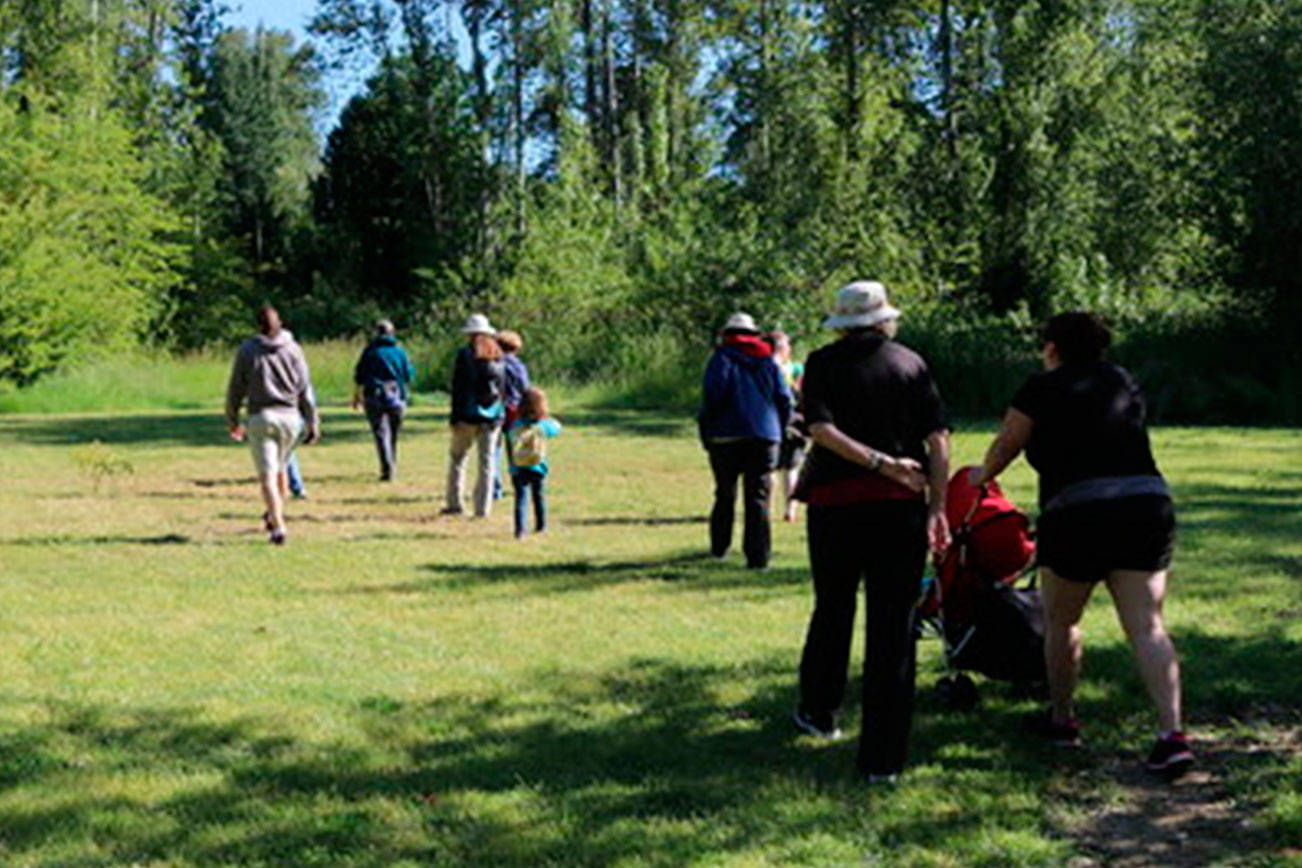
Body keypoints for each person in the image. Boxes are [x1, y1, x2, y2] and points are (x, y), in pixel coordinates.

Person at [969, 311, 1193, 776]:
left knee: (1062, 620)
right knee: (1147, 626)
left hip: (1076, 513)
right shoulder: (1123, 380)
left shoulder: (1039, 387)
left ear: (1052, 347)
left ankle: (1063, 719)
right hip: (1145, 504)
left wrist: (979, 478)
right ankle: (1172, 734)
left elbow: (1008, 442)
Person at [792, 281, 950, 784]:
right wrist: (937, 508)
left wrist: (877, 464)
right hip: (899, 511)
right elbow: (939, 443)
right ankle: (883, 758)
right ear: (884, 319)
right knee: (893, 627)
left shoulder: (821, 363)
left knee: (833, 607)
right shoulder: (910, 363)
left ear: (843, 323)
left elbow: (819, 430)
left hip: (835, 509)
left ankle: (819, 711)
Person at [698, 312, 793, 570]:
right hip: (764, 436)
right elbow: (785, 399)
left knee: (725, 493)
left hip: (725, 436)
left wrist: (706, 429)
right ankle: (758, 558)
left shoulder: (721, 359)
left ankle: (720, 549)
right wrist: (781, 430)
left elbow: (713, 396)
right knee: (758, 498)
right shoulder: (768, 363)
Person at [225, 305, 319, 545]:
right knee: (282, 470)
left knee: (267, 475)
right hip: (290, 418)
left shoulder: (248, 350)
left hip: (261, 416)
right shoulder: (294, 350)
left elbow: (236, 388)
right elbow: (305, 389)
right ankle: (274, 512)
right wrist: (312, 421)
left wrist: (232, 418)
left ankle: (278, 527)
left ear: (258, 326)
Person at [444, 313, 506, 517]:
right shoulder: (499, 355)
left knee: (458, 459)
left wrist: (454, 417)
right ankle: (482, 509)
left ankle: (455, 504)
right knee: (487, 464)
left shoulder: (465, 355)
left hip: (468, 415)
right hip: (492, 416)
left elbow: (458, 388)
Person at [352, 319, 416, 481]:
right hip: (397, 397)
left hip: (374, 395)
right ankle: (391, 463)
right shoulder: (400, 352)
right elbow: (409, 375)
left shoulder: (369, 352)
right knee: (393, 433)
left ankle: (387, 467)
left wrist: (356, 396)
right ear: (392, 333)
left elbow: (359, 376)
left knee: (381, 433)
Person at [507, 387, 562, 539]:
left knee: (520, 498)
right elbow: (557, 428)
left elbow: (510, 440)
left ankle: (520, 530)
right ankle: (541, 526)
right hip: (538, 466)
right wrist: (547, 418)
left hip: (518, 466)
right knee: (539, 497)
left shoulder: (516, 425)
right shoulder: (543, 426)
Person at [768, 330, 807, 523]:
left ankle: (765, 509)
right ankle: (790, 510)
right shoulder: (796, 369)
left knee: (770, 469)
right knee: (791, 469)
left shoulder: (763, 368)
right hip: (793, 422)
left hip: (770, 422)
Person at [495, 330, 531, 499]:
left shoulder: (495, 363)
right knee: (515, 450)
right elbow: (525, 388)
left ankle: (494, 487)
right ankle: (518, 483)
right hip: (514, 410)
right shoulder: (519, 367)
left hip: (496, 408)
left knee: (494, 450)